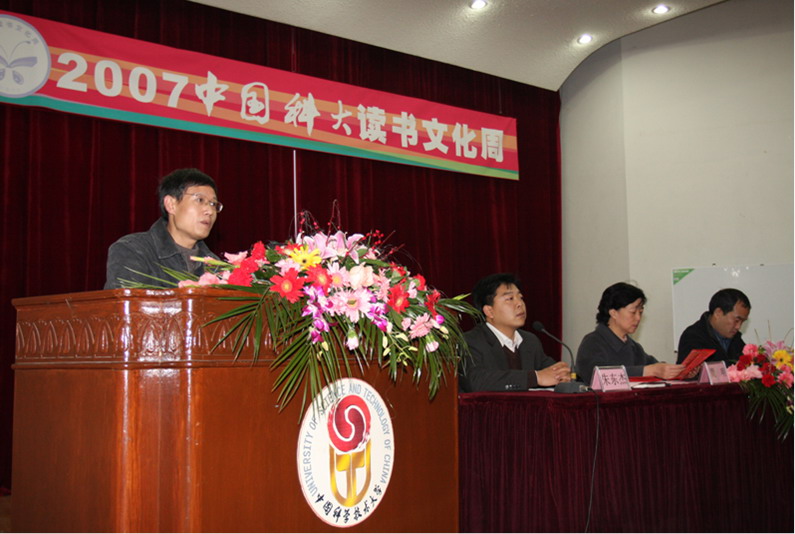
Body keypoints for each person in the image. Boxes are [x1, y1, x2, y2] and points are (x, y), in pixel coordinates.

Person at [104, 168, 222, 289]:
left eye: (213, 204)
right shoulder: (133, 250)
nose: (209, 211)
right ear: (171, 204)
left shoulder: (216, 266)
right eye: (200, 200)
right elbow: (127, 299)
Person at [458, 273, 571, 392]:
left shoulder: (530, 341)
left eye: (520, 297)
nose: (520, 304)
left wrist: (561, 374)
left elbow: (549, 370)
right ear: (489, 311)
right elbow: (476, 381)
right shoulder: (469, 342)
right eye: (510, 299)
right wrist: (535, 377)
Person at [576, 282, 684, 385]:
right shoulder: (592, 343)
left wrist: (676, 371)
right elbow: (598, 375)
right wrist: (648, 371)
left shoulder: (633, 347)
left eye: (640, 312)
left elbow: (655, 366)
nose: (638, 318)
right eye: (633, 312)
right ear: (613, 313)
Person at [677, 288, 751, 364]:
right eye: (736, 320)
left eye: (742, 322)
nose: (738, 327)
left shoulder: (736, 339)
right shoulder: (693, 337)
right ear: (718, 313)